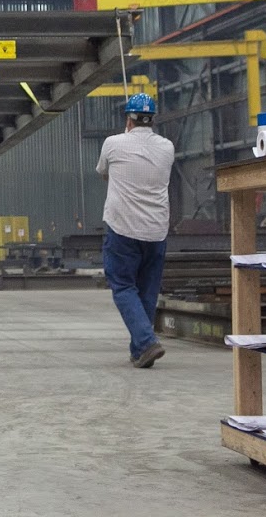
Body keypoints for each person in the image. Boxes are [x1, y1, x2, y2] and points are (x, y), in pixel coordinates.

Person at [96, 93, 175, 369]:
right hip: (156, 231)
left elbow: (103, 172)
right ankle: (140, 351)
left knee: (122, 285)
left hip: (123, 229)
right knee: (147, 291)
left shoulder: (113, 144)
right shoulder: (167, 147)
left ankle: (146, 342)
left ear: (128, 119)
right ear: (152, 119)